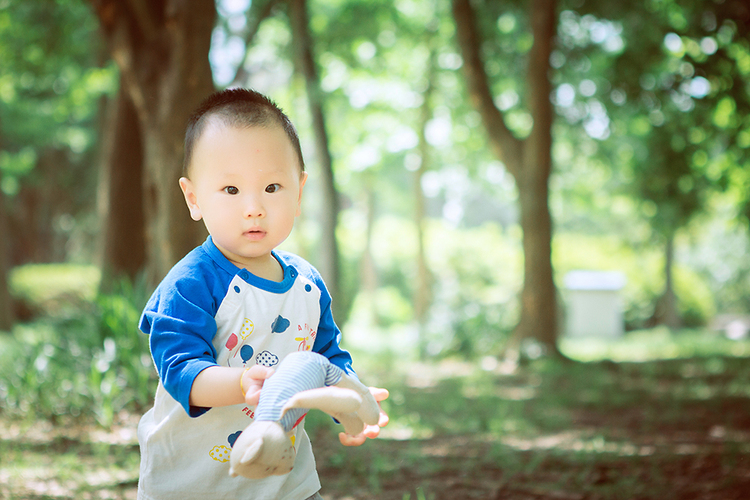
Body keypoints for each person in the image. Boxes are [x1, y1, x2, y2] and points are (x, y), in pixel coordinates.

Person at [136, 88, 388, 500]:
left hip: (285, 480)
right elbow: (181, 371)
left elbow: (326, 357)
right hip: (191, 482)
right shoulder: (191, 283)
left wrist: (351, 395)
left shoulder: (307, 283)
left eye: (272, 187)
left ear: (299, 191)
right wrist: (241, 383)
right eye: (231, 191)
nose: (254, 207)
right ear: (193, 198)